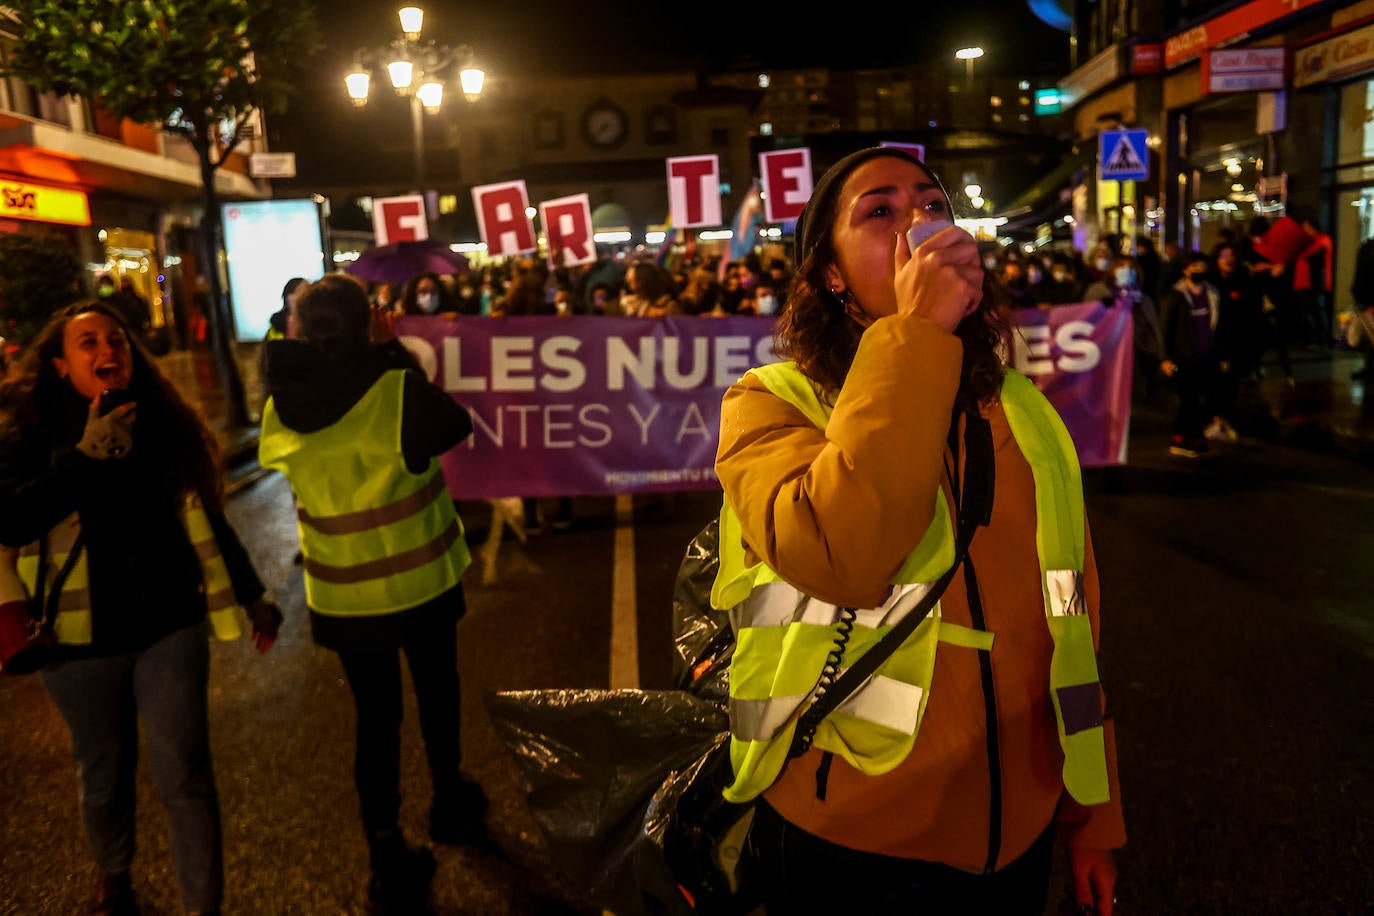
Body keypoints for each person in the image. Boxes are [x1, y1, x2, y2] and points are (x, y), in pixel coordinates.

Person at [713, 147, 1123, 915]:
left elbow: (1072, 625)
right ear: (830, 274)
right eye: (880, 212)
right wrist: (916, 332)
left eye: (932, 207)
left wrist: (1093, 811)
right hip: (853, 838)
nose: (919, 228)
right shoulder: (770, 404)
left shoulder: (1020, 410)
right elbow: (843, 556)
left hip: (1020, 832)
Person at [0, 300, 282, 916]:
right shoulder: (32, 433)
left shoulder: (163, 421)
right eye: (89, 343)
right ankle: (114, 877)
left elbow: (205, 512)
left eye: (118, 342)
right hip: (75, 641)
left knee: (185, 771)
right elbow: (10, 517)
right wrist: (84, 457)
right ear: (58, 365)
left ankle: (202, 906)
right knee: (104, 773)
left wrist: (253, 591)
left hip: (168, 624)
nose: (108, 351)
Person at [258, 275, 487, 914]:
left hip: (344, 599)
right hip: (422, 585)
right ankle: (449, 799)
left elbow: (298, 369)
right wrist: (391, 350)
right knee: (438, 695)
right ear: (370, 326)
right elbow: (452, 423)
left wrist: (303, 334)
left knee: (374, 722)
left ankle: (384, 850)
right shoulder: (393, 388)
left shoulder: (283, 405)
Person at [1158, 252, 1234, 457]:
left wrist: (1222, 355)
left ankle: (1195, 436)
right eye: (1194, 267)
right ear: (1186, 270)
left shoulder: (1213, 293)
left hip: (1206, 355)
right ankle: (1181, 437)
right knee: (1187, 398)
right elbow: (1165, 328)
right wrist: (1165, 357)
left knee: (1201, 397)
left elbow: (1220, 327)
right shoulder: (1175, 296)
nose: (1199, 271)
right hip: (1184, 356)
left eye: (1202, 266)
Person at [267, 277, 308, 341]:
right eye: (300, 291)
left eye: (308, 290)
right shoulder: (277, 324)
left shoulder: (312, 321)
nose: (305, 294)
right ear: (288, 297)